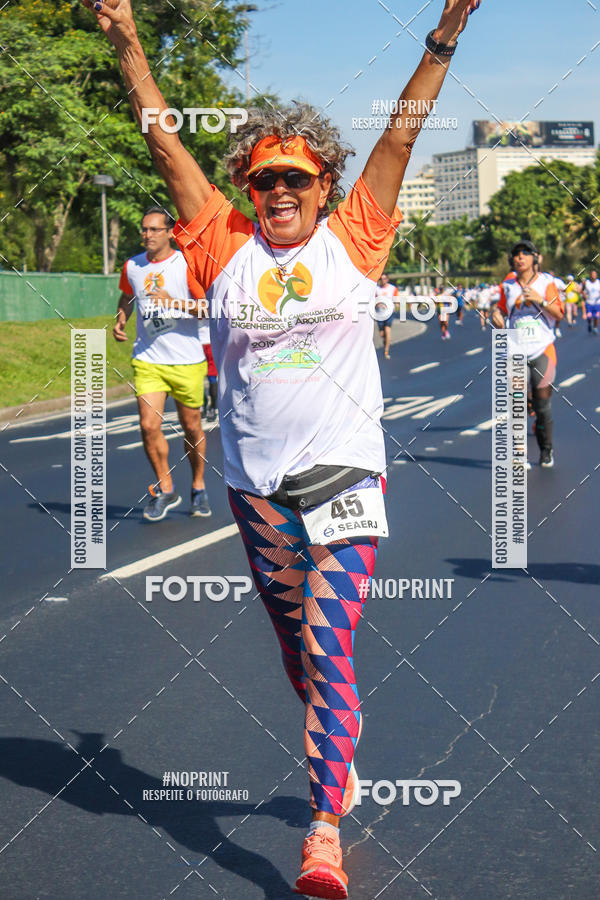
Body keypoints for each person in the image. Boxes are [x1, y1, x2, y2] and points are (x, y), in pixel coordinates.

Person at [87, 0, 483, 895]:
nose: (279, 192)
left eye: (296, 179)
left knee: (327, 640)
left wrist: (444, 35)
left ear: (321, 183)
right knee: (300, 657)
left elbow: (400, 133)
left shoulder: (357, 238)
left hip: (345, 474)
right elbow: (162, 145)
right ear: (250, 185)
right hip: (256, 487)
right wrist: (131, 49)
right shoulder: (220, 243)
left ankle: (322, 832)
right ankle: (336, 736)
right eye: (265, 179)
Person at [115, 206, 211, 520]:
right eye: (144, 229)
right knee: (148, 425)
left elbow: (206, 308)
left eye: (155, 229)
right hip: (148, 359)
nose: (148, 235)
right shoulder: (133, 265)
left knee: (191, 426)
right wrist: (121, 319)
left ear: (170, 232)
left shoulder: (185, 264)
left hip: (186, 360)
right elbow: (127, 295)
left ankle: (198, 485)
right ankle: (166, 486)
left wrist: (174, 303)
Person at [492, 240, 564, 468]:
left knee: (542, 406)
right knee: (517, 403)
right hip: (515, 351)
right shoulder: (508, 284)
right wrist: (496, 313)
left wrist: (539, 299)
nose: (519, 258)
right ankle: (519, 453)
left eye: (524, 254)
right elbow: (501, 307)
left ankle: (546, 449)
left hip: (543, 349)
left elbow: (558, 313)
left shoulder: (546, 283)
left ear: (535, 258)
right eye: (516, 254)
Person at [374, 273, 398, 359]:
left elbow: (396, 299)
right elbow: (374, 300)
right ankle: (385, 342)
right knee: (382, 334)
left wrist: (396, 306)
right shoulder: (377, 289)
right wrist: (378, 305)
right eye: (381, 279)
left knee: (387, 331)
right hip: (380, 313)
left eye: (384, 279)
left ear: (387, 279)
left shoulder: (392, 288)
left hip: (389, 313)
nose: (383, 280)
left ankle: (386, 351)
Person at [583, 270, 600, 334]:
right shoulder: (587, 283)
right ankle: (589, 324)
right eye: (592, 274)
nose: (593, 276)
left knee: (596, 316)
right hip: (589, 303)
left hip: (597, 303)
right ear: (590, 275)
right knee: (589, 316)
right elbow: (583, 291)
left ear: (596, 275)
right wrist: (584, 296)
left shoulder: (598, 282)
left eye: (595, 274)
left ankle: (595, 328)